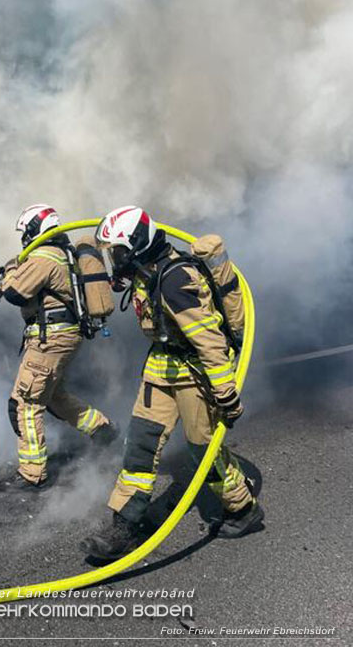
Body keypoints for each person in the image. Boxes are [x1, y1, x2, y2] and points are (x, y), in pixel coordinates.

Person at [80, 206, 264, 559]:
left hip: (195, 373)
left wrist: (226, 393)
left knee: (203, 450)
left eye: (116, 252)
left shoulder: (175, 280)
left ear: (136, 244)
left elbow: (209, 340)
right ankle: (125, 525)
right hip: (161, 368)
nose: (114, 260)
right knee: (140, 445)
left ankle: (242, 507)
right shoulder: (146, 270)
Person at [0, 204, 118, 493]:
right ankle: (101, 429)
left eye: (25, 232)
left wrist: (10, 269)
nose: (24, 239)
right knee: (53, 396)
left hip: (49, 338)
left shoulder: (43, 256)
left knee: (25, 403)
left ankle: (32, 474)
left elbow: (14, 292)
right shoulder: (65, 252)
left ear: (34, 229)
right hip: (63, 335)